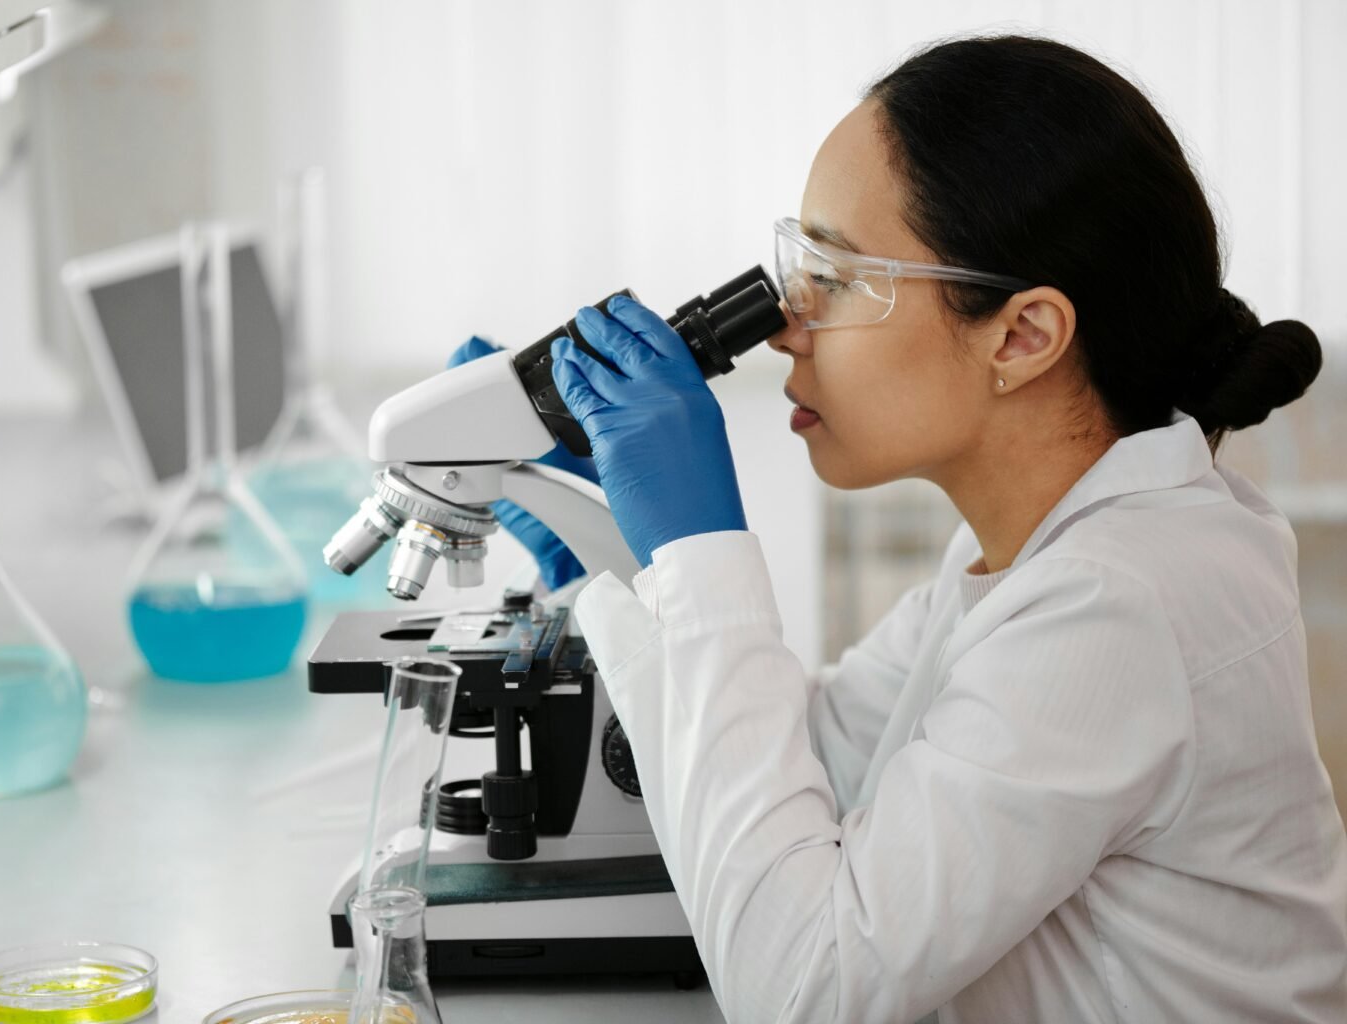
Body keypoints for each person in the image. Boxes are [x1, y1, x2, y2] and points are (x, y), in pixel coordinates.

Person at [454, 34, 1346, 1023]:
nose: (786, 327)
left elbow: (801, 984)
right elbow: (821, 763)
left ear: (1022, 335)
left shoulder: (1121, 598)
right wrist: (613, 563)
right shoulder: (1039, 546)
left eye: (832, 278)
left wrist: (702, 556)